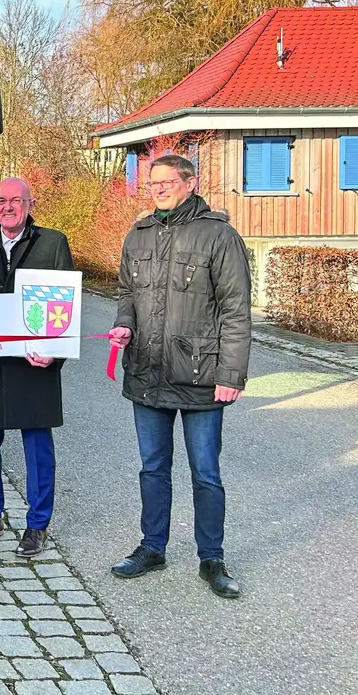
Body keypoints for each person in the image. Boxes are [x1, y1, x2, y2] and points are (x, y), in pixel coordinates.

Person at [107, 154, 251, 599]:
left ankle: (212, 558)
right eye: (153, 183)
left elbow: (236, 310)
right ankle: (153, 547)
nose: (159, 189)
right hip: (147, 372)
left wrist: (231, 373)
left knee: (205, 473)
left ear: (190, 183)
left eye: (168, 181)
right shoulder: (139, 233)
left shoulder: (219, 235)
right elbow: (127, 292)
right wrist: (125, 323)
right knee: (153, 468)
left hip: (201, 376)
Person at [0, 177, 74, 557]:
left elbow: (66, 306)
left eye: (16, 200)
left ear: (30, 204)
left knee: (38, 449)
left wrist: (55, 353)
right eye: (1, 200)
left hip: (34, 365)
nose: (7, 207)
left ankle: (37, 525)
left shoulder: (52, 243)